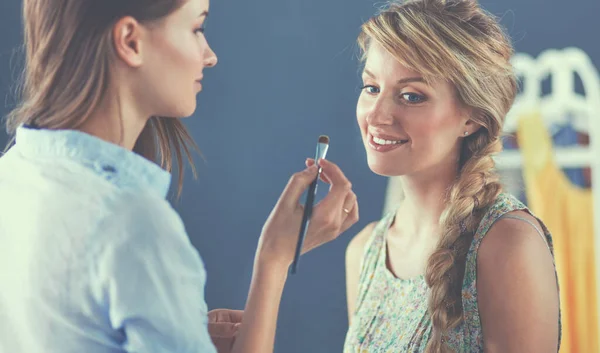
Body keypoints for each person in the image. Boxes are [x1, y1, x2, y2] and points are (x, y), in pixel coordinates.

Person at [0, 0, 359, 353]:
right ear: (130, 41)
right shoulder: (132, 224)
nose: (210, 55)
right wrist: (275, 256)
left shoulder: (13, 170)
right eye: (196, 28)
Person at [342, 0, 562, 352]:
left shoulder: (507, 243)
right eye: (371, 88)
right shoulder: (364, 253)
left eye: (411, 96)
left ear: (471, 117)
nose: (378, 115)